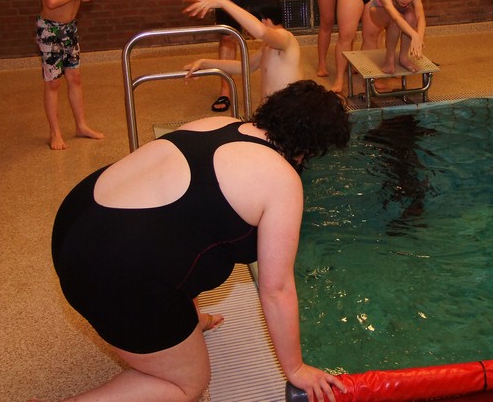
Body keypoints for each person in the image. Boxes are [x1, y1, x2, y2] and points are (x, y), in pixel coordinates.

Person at [51, 80, 351, 402]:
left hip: (75, 223)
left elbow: (180, 229)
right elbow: (276, 289)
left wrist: (191, 321)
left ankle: (182, 324)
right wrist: (295, 368)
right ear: (312, 148)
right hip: (106, 270)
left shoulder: (218, 123)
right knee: (189, 385)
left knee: (172, 236)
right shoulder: (282, 181)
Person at [36, 0, 103, 150]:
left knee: (75, 78)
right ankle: (54, 132)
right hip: (50, 30)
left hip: (70, 29)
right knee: (53, 82)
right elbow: (51, 1)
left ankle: (81, 126)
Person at [183, 0, 303, 101]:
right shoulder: (267, 46)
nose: (245, 30)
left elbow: (261, 32)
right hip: (274, 111)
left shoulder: (286, 38)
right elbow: (244, 67)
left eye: (246, 25)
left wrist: (223, 2)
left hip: (290, 111)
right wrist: (204, 63)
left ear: (263, 21)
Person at [361, 0, 426, 75]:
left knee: (411, 17)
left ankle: (403, 58)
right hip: (378, 10)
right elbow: (396, 18)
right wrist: (414, 35)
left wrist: (419, 37)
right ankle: (389, 57)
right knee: (396, 21)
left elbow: (421, 17)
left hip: (399, 12)